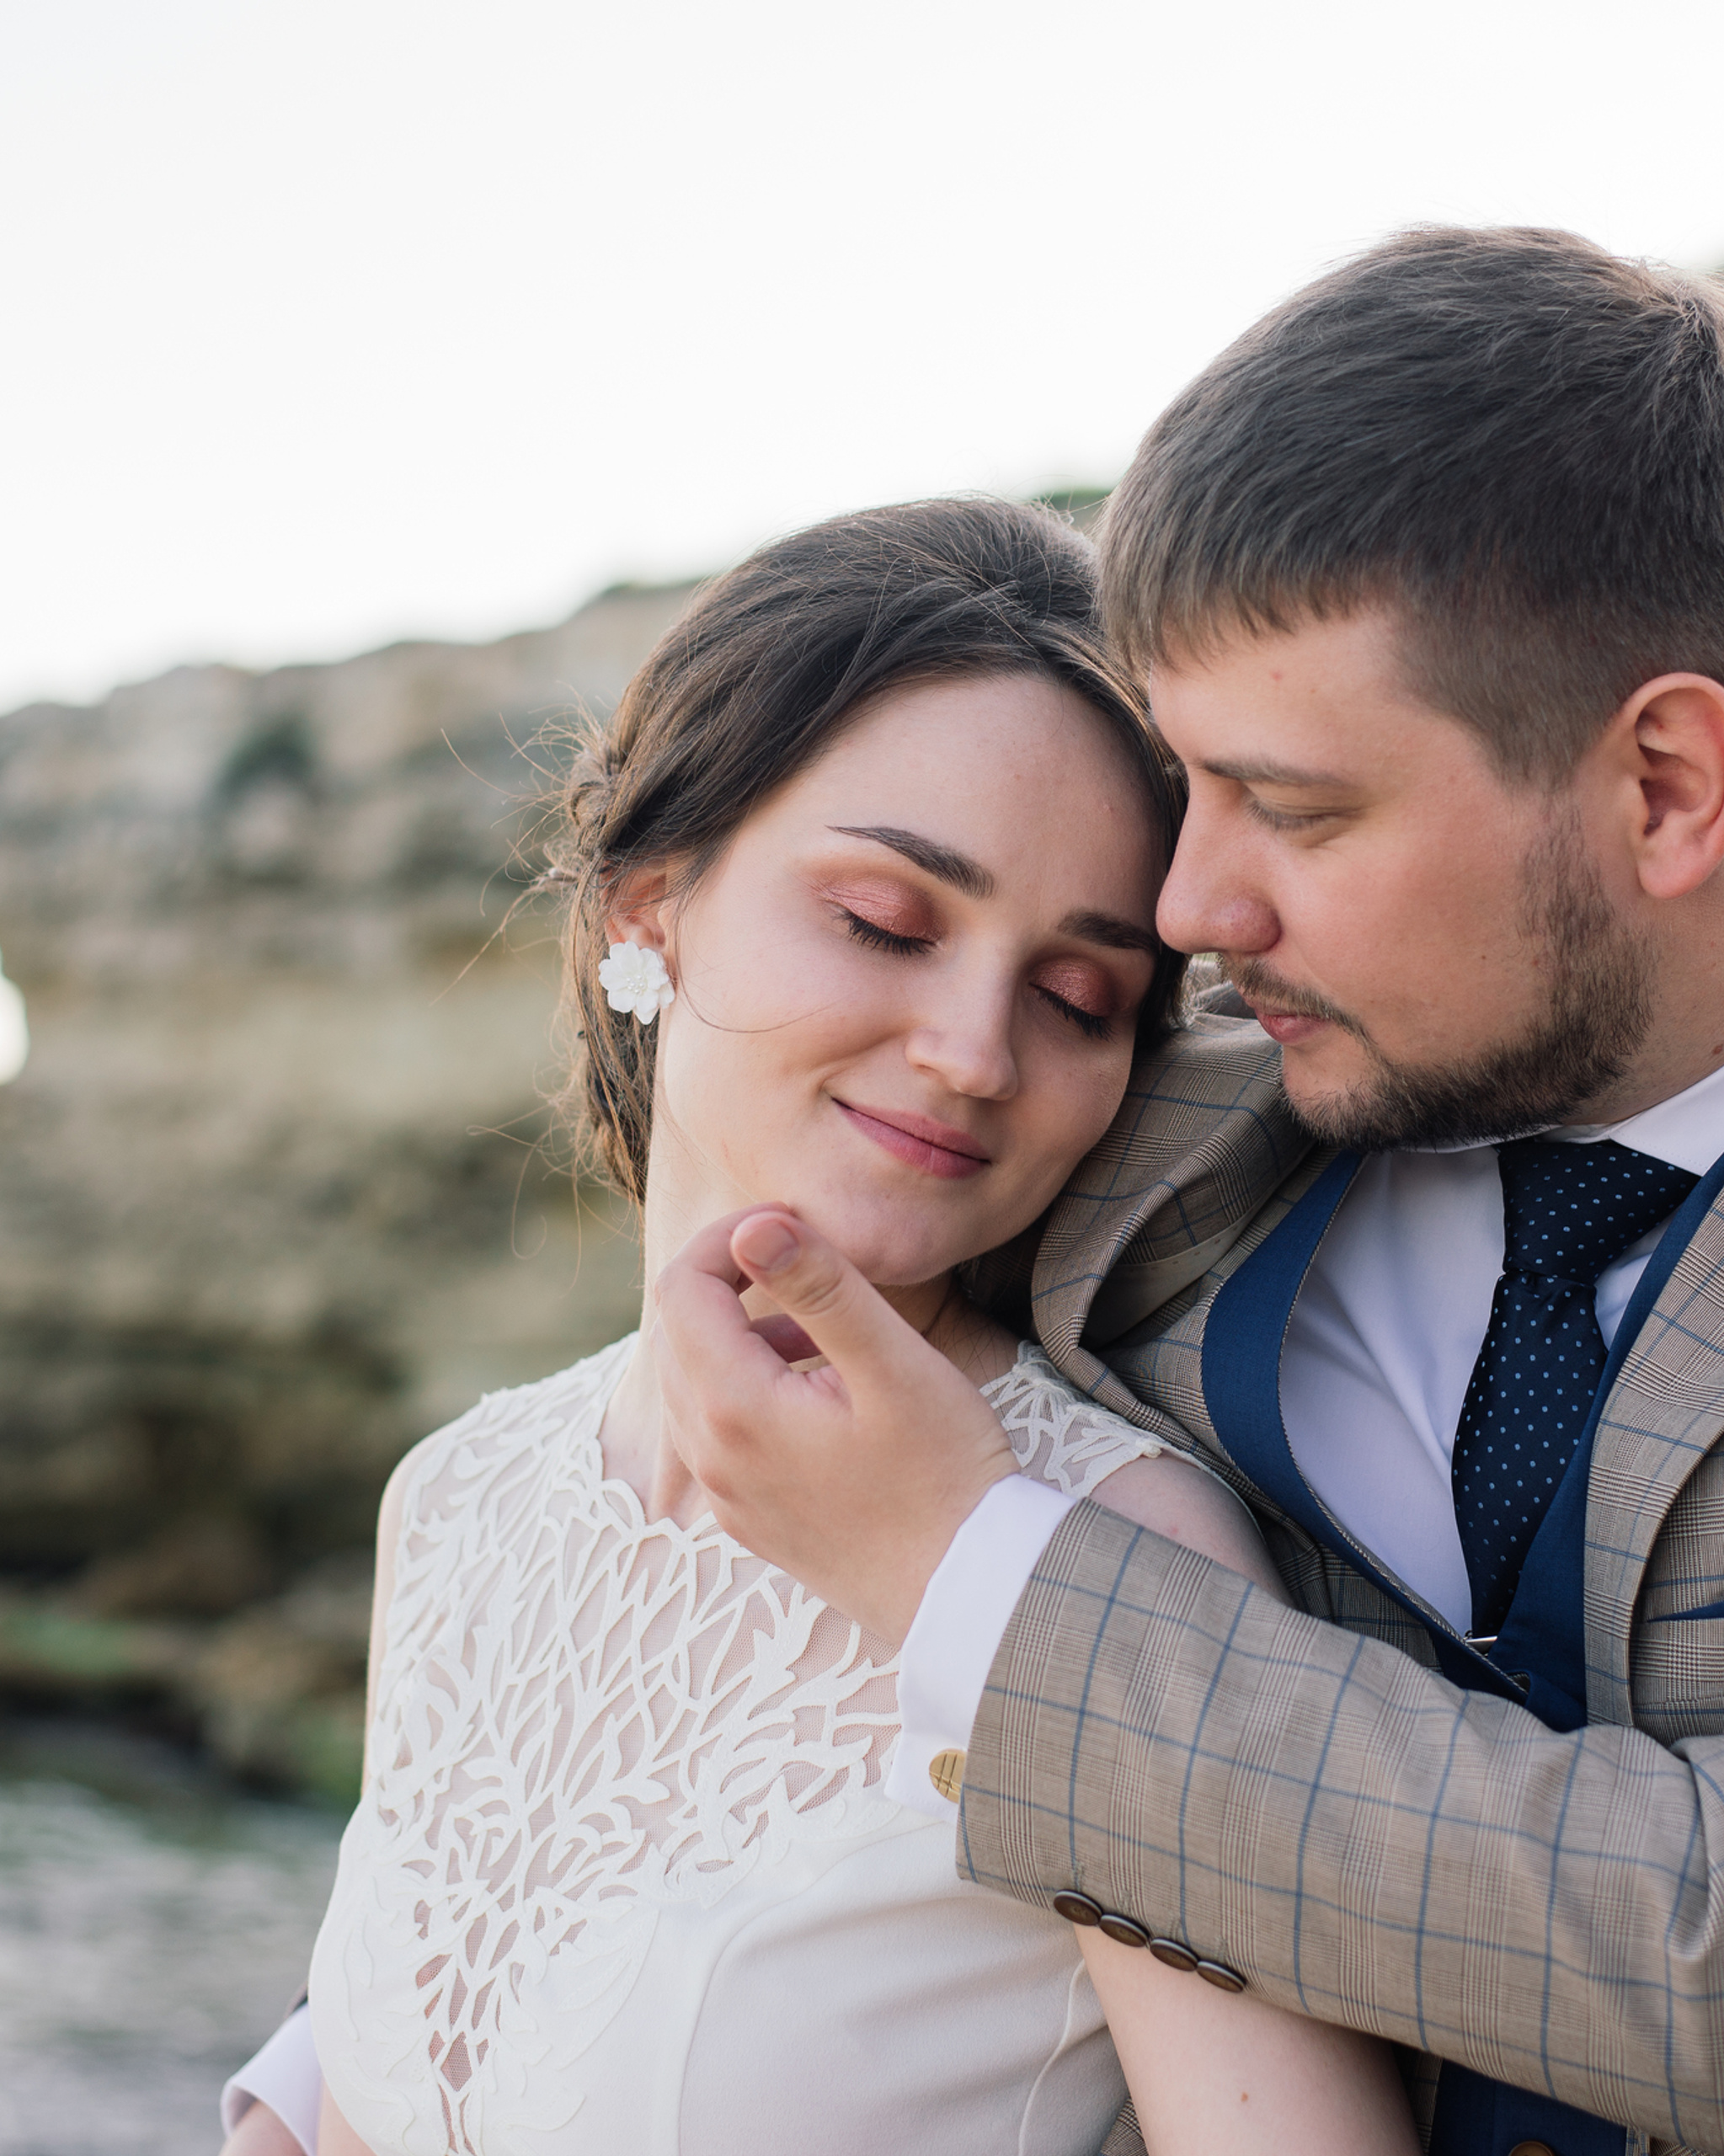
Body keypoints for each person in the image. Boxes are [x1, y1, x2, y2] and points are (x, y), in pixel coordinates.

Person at [656, 229, 1724, 2156]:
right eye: (1185, 790)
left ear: (1666, 785)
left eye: (1291, 807)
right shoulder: (1174, 1105)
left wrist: (972, 1576)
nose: (1192, 909)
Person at [218, 499, 1419, 2156]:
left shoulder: (1111, 1546)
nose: (973, 1049)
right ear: (647, 903)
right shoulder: (457, 1496)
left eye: (1079, 998)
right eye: (885, 918)